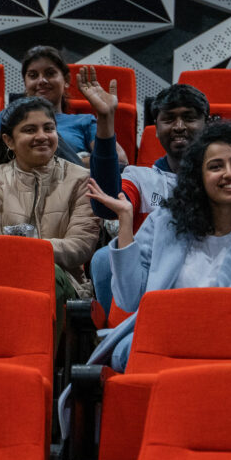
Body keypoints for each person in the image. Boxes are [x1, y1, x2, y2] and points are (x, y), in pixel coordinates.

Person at [83, 120, 231, 371]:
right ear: (198, 177)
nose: (229, 173)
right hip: (164, 344)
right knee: (127, 355)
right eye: (215, 166)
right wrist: (126, 224)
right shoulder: (165, 222)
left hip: (229, 349)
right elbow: (128, 300)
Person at [0, 96, 100, 325]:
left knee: (45, 274)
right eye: (30, 130)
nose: (42, 136)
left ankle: (36, 357)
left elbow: (80, 247)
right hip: (0, 277)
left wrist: (23, 251)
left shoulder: (81, 180)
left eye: (49, 128)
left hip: (62, 281)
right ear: (9, 141)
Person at [81, 75, 210, 315]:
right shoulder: (140, 177)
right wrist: (106, 121)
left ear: (207, 123)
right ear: (156, 127)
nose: (179, 127)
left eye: (189, 118)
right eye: (169, 119)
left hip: (209, 276)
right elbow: (108, 205)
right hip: (147, 286)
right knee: (103, 259)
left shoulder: (223, 179)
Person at [0, 45, 126, 165]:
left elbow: (118, 159)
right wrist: (21, 156)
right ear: (25, 83)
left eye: (50, 73)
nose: (42, 81)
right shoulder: (9, 118)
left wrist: (51, 158)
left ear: (66, 80)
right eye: (33, 75)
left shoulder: (83, 121)